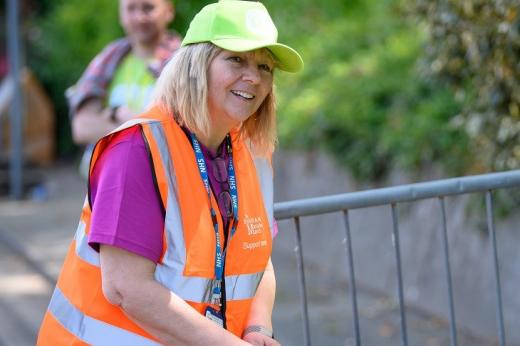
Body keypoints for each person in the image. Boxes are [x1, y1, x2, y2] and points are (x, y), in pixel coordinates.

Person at [37, 0, 303, 345]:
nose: (253, 76)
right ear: (196, 65)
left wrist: (258, 328)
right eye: (236, 59)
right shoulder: (136, 148)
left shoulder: (251, 153)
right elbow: (125, 288)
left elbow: (256, 259)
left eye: (265, 66)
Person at [67, 0, 181, 178]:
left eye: (148, 8)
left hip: (164, 183)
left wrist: (116, 117)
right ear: (121, 15)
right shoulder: (109, 59)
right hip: (109, 181)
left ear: (169, 11)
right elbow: (82, 127)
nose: (139, 17)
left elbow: (179, 133)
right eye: (131, 8)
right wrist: (126, 117)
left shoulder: (183, 64)